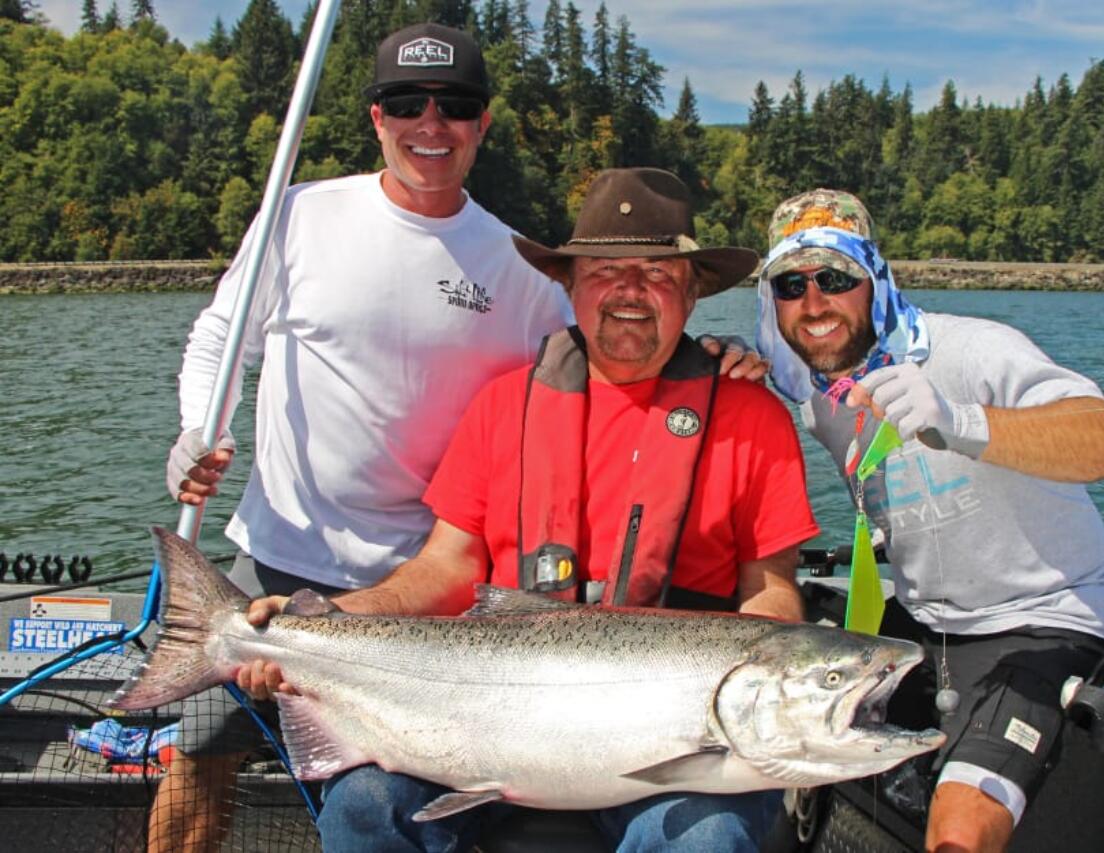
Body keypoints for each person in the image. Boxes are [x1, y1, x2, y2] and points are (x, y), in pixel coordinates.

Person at [157, 25, 764, 851]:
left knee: (387, 774)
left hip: (434, 578)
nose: (430, 124)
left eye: (456, 106)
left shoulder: (514, 266)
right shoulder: (297, 216)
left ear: (482, 123)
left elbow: (616, 350)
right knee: (198, 751)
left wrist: (714, 357)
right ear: (376, 116)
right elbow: (219, 336)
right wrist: (201, 427)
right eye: (407, 103)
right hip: (281, 553)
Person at [239, 167, 821, 852]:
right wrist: (330, 618)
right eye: (606, 271)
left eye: (659, 275)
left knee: (708, 837)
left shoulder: (752, 416)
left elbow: (772, 592)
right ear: (568, 284)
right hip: (482, 720)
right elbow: (446, 567)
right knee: (366, 805)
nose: (632, 291)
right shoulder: (501, 404)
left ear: (693, 294)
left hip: (679, 744)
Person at [755, 189, 1104, 852]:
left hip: (1040, 619)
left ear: (875, 281)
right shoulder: (818, 393)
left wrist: (959, 421)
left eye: (836, 278)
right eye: (792, 283)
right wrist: (721, 361)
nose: (814, 303)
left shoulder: (971, 350)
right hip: (922, 620)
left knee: (958, 833)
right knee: (798, 773)